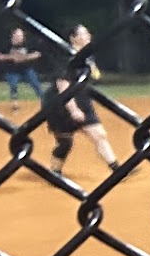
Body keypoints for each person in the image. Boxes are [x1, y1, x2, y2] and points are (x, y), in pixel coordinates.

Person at [44, 25, 119, 179]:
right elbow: (62, 85)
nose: (88, 36)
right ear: (73, 38)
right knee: (65, 143)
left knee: (99, 135)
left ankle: (117, 169)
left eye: (87, 33)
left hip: (83, 101)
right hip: (60, 104)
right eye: (84, 33)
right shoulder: (67, 58)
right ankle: (55, 173)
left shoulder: (87, 57)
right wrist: (73, 109)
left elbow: (95, 75)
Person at [0, 28, 42, 105]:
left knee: (36, 84)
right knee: (13, 85)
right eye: (18, 36)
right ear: (13, 36)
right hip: (12, 71)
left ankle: (44, 101)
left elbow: (37, 54)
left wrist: (25, 57)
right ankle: (14, 103)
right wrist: (11, 57)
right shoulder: (7, 45)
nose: (20, 38)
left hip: (26, 69)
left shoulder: (28, 44)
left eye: (21, 36)